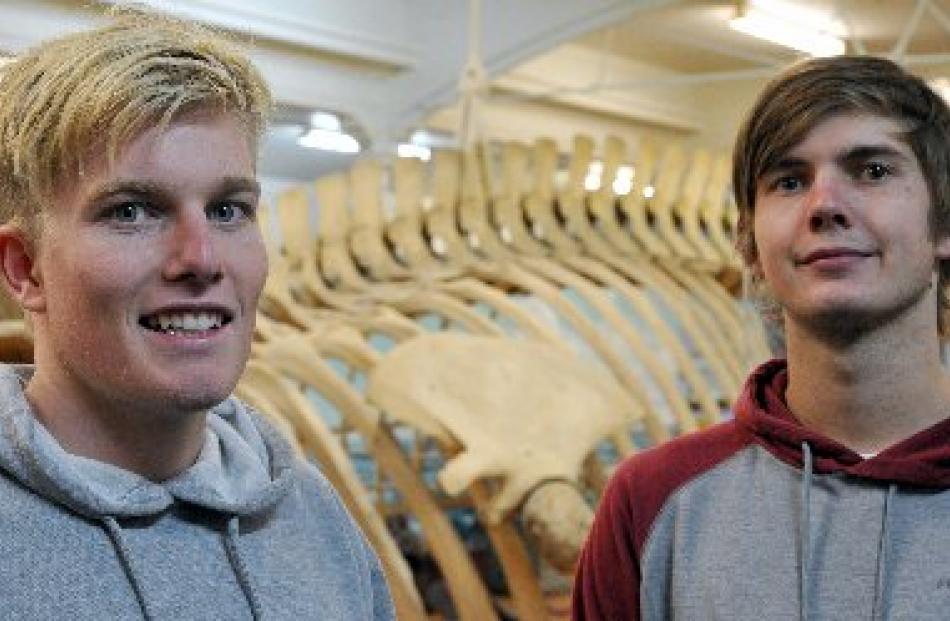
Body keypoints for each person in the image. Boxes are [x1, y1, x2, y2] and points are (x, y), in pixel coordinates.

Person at [0, 10, 394, 620]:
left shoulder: (318, 523)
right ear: (25, 269)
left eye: (229, 209)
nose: (202, 259)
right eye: (132, 211)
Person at [572, 55, 950, 620]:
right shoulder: (650, 499)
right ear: (749, 244)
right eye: (789, 181)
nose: (825, 205)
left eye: (872, 171)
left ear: (943, 225)